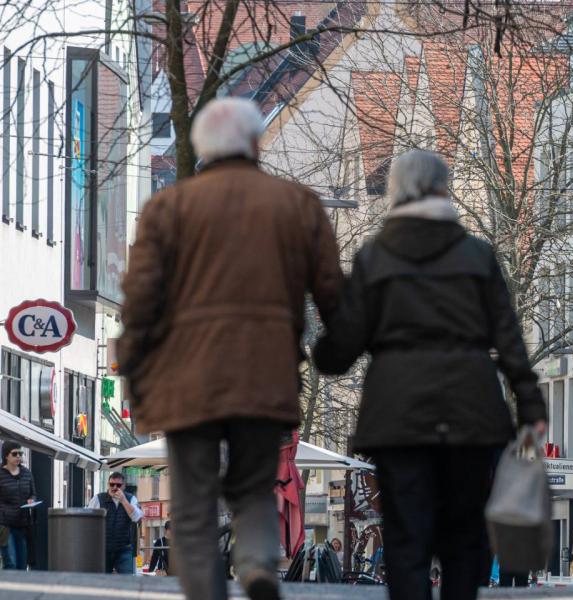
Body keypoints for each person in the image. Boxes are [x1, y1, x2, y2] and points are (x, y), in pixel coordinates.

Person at [118, 97, 343, 600]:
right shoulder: (296, 204)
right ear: (255, 142)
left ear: (200, 147)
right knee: (253, 492)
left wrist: (135, 378)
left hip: (187, 382)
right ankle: (259, 566)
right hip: (265, 379)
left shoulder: (168, 209)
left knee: (195, 506)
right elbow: (334, 296)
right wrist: (335, 352)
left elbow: (139, 306)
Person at [313, 149, 546, 600]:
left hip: (397, 412)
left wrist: (319, 339)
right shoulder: (477, 256)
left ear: (398, 191)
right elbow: (509, 336)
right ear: (445, 190)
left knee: (405, 536)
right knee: (464, 536)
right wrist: (529, 402)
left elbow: (340, 352)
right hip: (471, 409)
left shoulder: (375, 259)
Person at [87, 472, 144, 573]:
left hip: (124, 548)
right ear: (108, 484)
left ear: (124, 486)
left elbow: (136, 517)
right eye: (111, 484)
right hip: (102, 549)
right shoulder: (98, 499)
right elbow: (88, 520)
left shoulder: (131, 499)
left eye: (118, 485)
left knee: (128, 580)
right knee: (101, 581)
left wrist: (124, 501)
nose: (114, 487)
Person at [0, 442, 35, 570]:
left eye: (20, 453)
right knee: (11, 562)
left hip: (23, 524)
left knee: (22, 564)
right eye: (14, 454)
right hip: (5, 525)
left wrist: (31, 500)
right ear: (6, 456)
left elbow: (33, 494)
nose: (18, 456)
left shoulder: (27, 473)